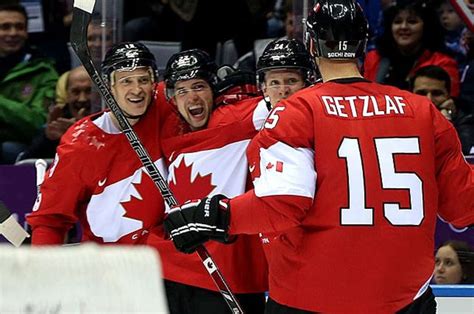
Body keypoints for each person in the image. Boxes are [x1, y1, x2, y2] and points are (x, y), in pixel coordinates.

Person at [164, 0, 474, 313]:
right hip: (405, 301)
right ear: (362, 45)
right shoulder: (422, 111)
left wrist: (213, 216)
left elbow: (282, 204)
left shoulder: (298, 111)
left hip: (310, 299)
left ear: (312, 45)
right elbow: (463, 207)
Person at [157, 48, 269, 314]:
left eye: (199, 86)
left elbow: (283, 98)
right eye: (182, 90)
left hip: (227, 277)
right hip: (175, 273)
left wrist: (255, 89)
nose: (191, 97)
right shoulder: (169, 126)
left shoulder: (235, 119)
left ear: (214, 88)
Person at [26, 42, 166, 246]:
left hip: (169, 263)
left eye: (143, 80)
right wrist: (41, 270)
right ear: (108, 86)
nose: (137, 90)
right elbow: (50, 220)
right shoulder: (81, 143)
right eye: (126, 81)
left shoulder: (168, 107)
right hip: (110, 265)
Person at [363, 0, 460, 97]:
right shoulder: (372, 59)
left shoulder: (443, 63)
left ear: (426, 26)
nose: (404, 27)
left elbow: (449, 102)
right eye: (397, 22)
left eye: (412, 21)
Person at [0, 3, 58, 164]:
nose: (13, 33)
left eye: (19, 27)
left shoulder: (43, 71)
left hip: (18, 148)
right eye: (5, 27)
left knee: (8, 149)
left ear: (26, 32)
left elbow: (39, 122)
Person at [17, 66, 93, 160]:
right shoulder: (57, 123)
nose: (82, 99)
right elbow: (25, 166)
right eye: (75, 92)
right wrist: (49, 139)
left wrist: (83, 136)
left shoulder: (111, 122)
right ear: (67, 94)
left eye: (89, 91)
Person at [411, 65, 474, 155]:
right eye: (421, 93)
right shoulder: (398, 117)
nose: (429, 99)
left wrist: (446, 121)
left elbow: (466, 155)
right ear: (410, 94)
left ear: (448, 95)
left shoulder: (465, 119)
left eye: (437, 93)